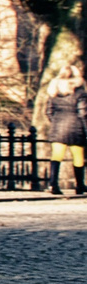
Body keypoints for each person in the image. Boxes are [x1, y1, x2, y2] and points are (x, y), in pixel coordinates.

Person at [42, 64, 87, 195]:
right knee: (77, 156)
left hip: (58, 126)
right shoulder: (80, 94)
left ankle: (53, 184)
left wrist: (55, 121)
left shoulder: (54, 94)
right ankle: (80, 185)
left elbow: (48, 112)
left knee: (56, 156)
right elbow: (83, 113)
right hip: (76, 127)